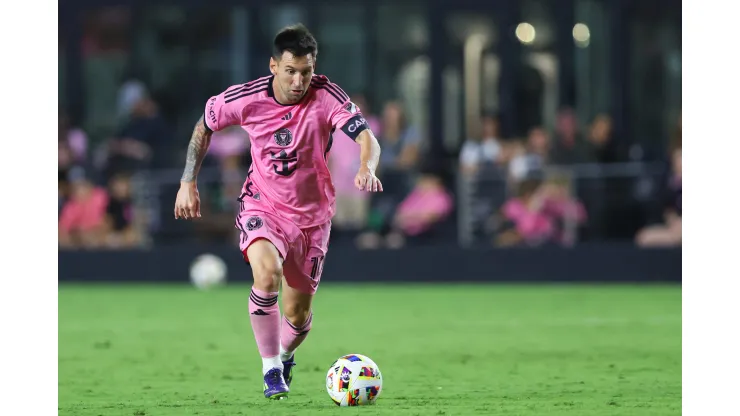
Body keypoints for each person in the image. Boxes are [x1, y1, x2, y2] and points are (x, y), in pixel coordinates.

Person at [172, 24, 383, 400]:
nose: (299, 80)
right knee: (266, 275)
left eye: (306, 71)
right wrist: (188, 180)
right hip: (263, 205)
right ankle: (271, 370)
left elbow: (367, 137)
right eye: (291, 71)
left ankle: (285, 355)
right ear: (273, 66)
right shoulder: (245, 98)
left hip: (313, 218)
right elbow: (204, 127)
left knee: (298, 315)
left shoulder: (326, 94)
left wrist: (367, 167)